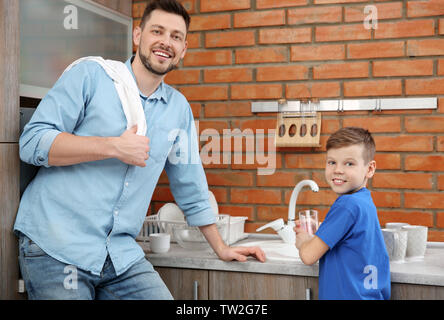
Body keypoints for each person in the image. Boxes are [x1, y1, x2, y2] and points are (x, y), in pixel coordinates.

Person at [14, 0, 265, 300]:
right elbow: (32, 142)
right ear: (137, 36)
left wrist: (221, 247)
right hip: (57, 245)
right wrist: (112, 146)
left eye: (176, 36)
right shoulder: (91, 77)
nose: (166, 42)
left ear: (184, 49)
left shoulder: (177, 109)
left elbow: (191, 186)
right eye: (157, 31)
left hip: (119, 255)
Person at [295, 127, 390, 300]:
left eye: (349, 163)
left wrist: (303, 242)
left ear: (370, 169)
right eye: (332, 162)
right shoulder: (365, 201)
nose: (338, 170)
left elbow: (309, 256)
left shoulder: (347, 204)